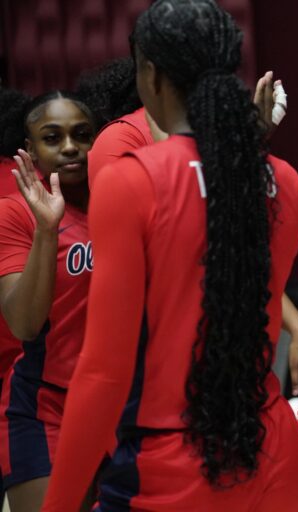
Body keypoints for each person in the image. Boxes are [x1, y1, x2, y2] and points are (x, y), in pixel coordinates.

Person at [41, 0, 298, 510]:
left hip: (172, 464)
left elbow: (103, 373)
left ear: (150, 72)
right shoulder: (286, 182)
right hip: (274, 450)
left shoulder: (132, 179)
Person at [79, 56, 298, 396]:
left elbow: (239, 251)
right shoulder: (121, 138)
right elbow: (173, 252)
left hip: (223, 348)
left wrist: (297, 325)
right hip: (153, 356)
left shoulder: (230, 143)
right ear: (151, 73)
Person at [0, 91, 96, 512]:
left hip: (120, 406)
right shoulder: (15, 213)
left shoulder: (123, 202)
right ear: (31, 150)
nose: (71, 147)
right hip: (45, 407)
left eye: (81, 135)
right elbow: (24, 324)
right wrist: (46, 230)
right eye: (52, 138)